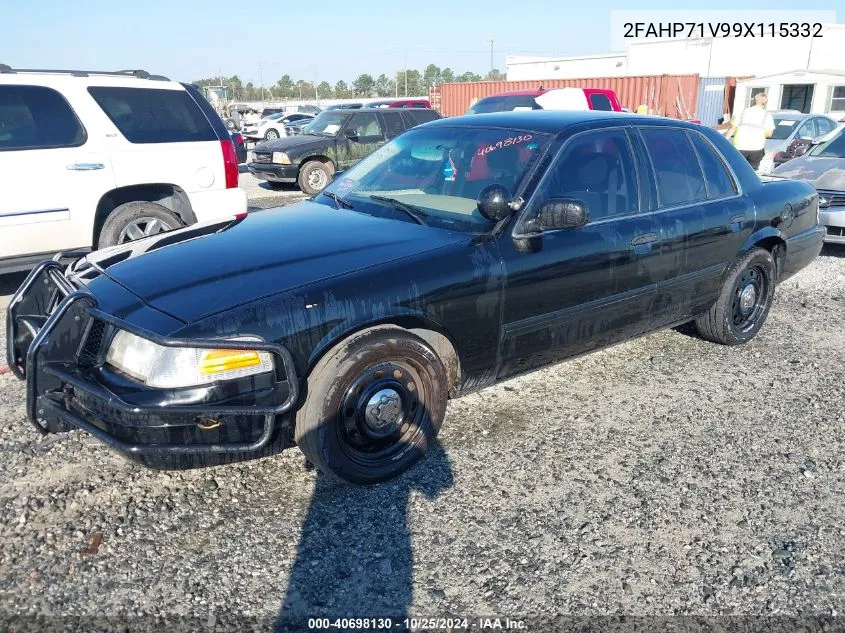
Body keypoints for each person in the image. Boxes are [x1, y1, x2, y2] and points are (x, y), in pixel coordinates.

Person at [729, 92, 775, 170]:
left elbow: (732, 129)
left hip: (739, 147)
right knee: (752, 172)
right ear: (765, 103)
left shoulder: (742, 112)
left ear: (754, 100)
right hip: (756, 148)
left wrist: (724, 139)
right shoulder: (767, 115)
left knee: (736, 170)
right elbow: (769, 134)